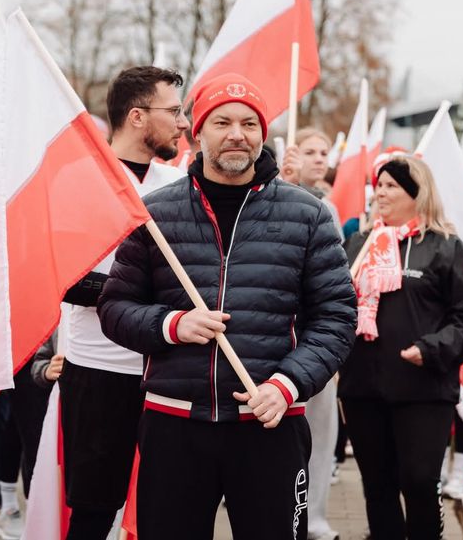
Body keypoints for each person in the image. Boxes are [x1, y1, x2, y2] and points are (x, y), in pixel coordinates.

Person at [98, 73, 356, 540]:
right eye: (222, 122)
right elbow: (115, 307)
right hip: (174, 425)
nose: (237, 133)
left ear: (263, 133)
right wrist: (172, 325)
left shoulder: (309, 215)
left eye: (249, 123)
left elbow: (336, 319)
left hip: (270, 423)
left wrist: (287, 384)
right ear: (197, 132)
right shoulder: (154, 213)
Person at [59, 66, 189, 540]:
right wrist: (139, 300)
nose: (182, 122)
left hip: (171, 367)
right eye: (173, 111)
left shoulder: (179, 183)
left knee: (169, 506)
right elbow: (67, 280)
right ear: (137, 116)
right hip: (99, 367)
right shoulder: (80, 180)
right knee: (94, 509)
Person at [339, 155, 463, 538]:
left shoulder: (443, 247)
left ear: (417, 193)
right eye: (379, 185)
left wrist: (432, 348)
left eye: (391, 185)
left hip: (423, 387)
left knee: (419, 481)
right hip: (363, 387)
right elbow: (336, 305)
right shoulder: (358, 244)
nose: (381, 192)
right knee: (377, 485)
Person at [281, 126, 343, 540]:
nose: (320, 158)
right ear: (291, 154)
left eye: (324, 151)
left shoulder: (329, 209)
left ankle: (315, 514)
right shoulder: (268, 196)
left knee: (321, 435)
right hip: (275, 340)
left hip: (315, 342)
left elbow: (335, 281)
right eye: (310, 151)